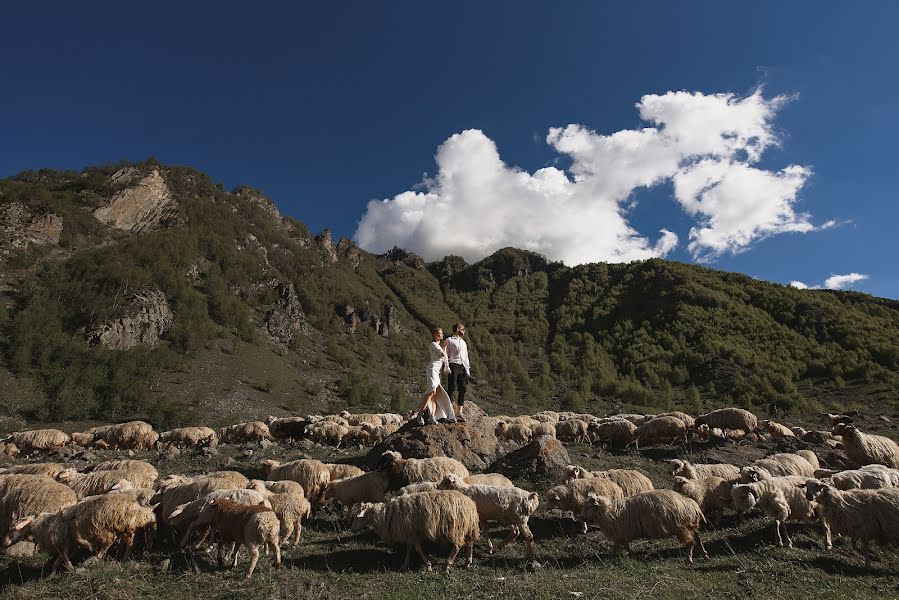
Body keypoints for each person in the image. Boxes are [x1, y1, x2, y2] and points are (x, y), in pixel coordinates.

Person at [414, 327, 456, 426]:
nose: (442, 335)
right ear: (435, 334)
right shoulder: (433, 345)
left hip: (437, 371)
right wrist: (445, 346)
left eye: (442, 333)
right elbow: (442, 355)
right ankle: (420, 414)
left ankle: (432, 416)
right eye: (439, 333)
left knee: (435, 394)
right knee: (432, 390)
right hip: (432, 369)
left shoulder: (438, 345)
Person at [443, 322, 471, 422]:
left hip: (462, 366)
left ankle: (459, 412)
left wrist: (467, 370)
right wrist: (446, 366)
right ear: (458, 329)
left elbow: (466, 356)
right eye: (462, 329)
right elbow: (445, 354)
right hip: (453, 364)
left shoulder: (463, 342)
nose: (463, 331)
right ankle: (450, 413)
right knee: (451, 388)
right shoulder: (449, 340)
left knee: (462, 388)